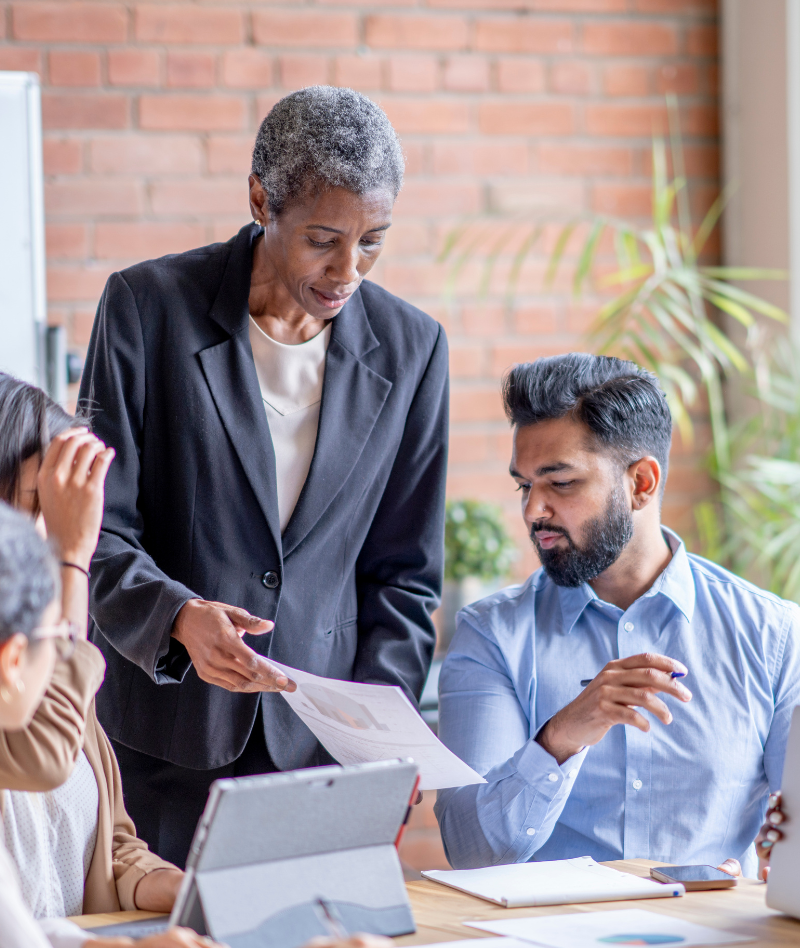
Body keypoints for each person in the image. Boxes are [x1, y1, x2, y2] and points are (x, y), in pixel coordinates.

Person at [78, 85, 448, 867]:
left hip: (321, 756)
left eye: (373, 241)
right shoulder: (148, 308)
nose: (348, 270)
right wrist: (177, 616)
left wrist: (382, 737)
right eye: (323, 238)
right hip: (166, 744)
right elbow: (96, 529)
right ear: (260, 199)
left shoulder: (413, 349)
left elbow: (405, 575)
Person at [435, 353, 800, 877]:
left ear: (641, 484)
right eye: (525, 485)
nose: (533, 511)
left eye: (560, 483)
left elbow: (794, 832)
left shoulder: (772, 634)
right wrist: (562, 736)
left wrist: (780, 861)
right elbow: (471, 850)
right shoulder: (491, 635)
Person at [0, 502, 224, 948]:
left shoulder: (59, 700)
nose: (77, 655)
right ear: (13, 660)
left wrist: (161, 883)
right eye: (62, 639)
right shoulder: (50, 703)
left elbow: (109, 845)